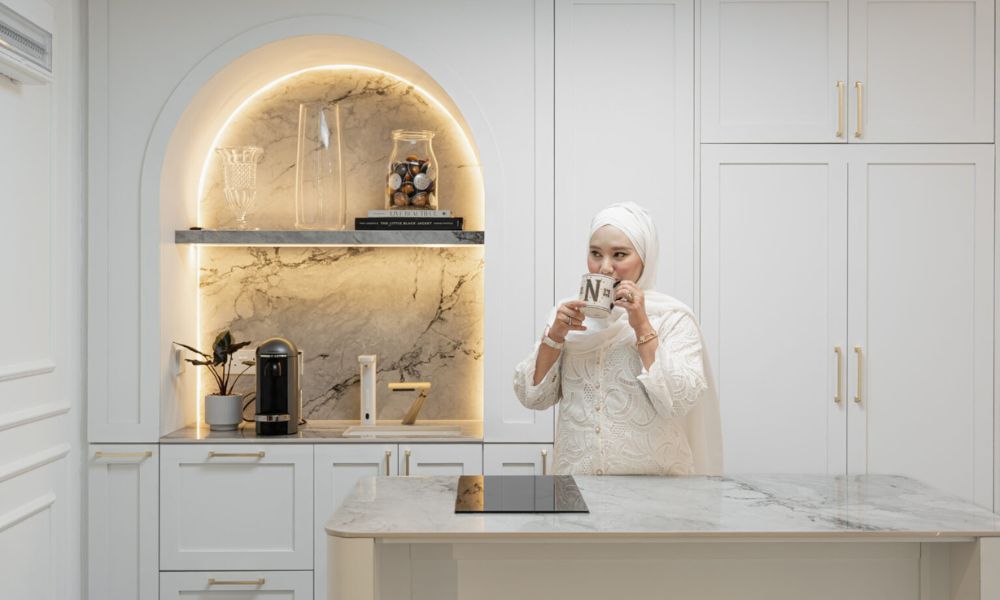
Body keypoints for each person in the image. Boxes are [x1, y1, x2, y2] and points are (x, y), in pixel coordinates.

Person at [513, 202, 723, 476]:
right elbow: (534, 398)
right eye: (595, 254)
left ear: (644, 259)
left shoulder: (673, 318)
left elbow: (678, 400)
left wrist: (641, 324)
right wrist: (553, 338)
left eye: (620, 255)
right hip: (577, 488)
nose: (605, 268)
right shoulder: (567, 316)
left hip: (656, 496)